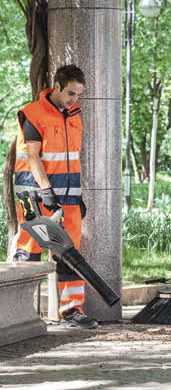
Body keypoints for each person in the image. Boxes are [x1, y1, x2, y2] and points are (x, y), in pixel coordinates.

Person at [12, 64, 98, 329]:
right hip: (35, 196)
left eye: (78, 95)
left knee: (69, 254)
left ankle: (72, 311)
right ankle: (16, 311)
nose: (74, 99)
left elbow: (72, 160)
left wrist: (78, 195)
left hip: (68, 198)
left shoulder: (73, 114)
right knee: (29, 250)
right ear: (57, 86)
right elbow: (32, 157)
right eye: (71, 93)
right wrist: (46, 191)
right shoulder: (33, 113)